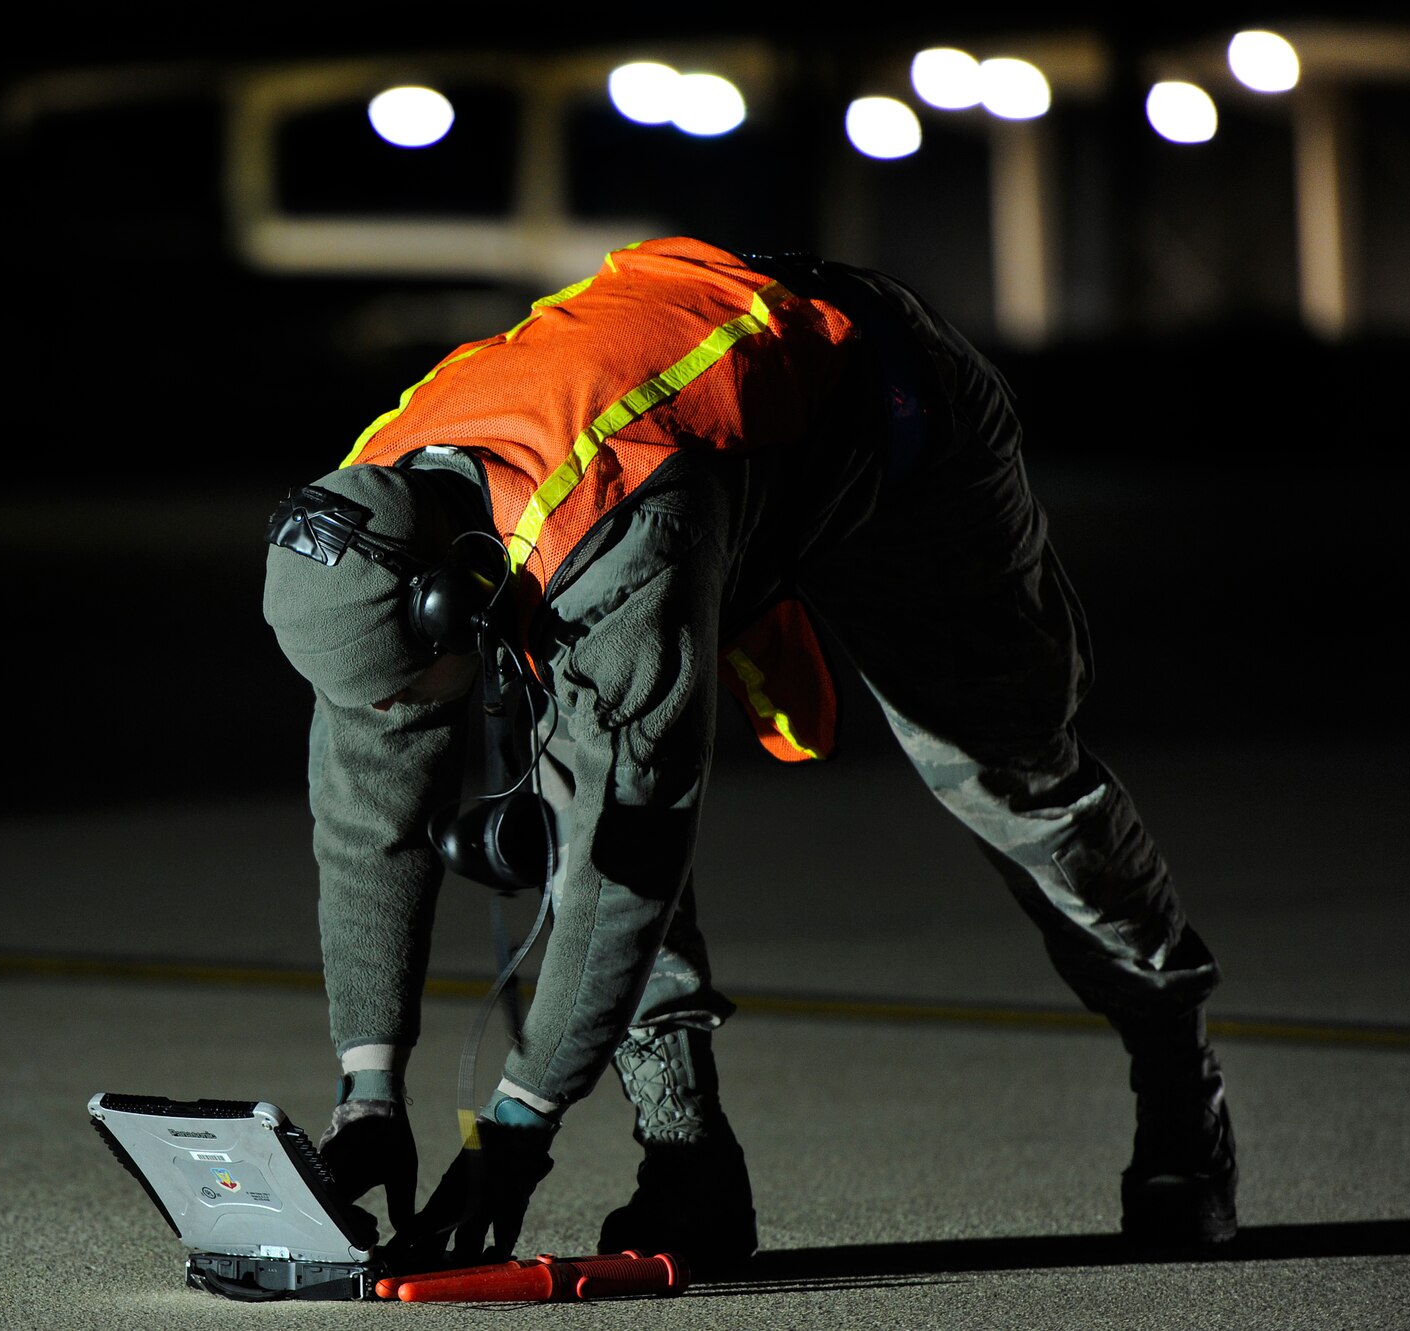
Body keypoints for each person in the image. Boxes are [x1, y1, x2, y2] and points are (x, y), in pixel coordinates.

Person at [260, 236, 1235, 1276]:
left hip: (899, 426)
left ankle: (1176, 1076)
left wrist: (517, 1126)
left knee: (1009, 777)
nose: (400, 718)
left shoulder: (620, 530)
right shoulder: (369, 524)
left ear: (453, 593)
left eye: (411, 689)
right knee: (566, 760)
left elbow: (621, 858)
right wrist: (365, 1090)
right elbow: (370, 816)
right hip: (712, 460)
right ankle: (689, 1161)